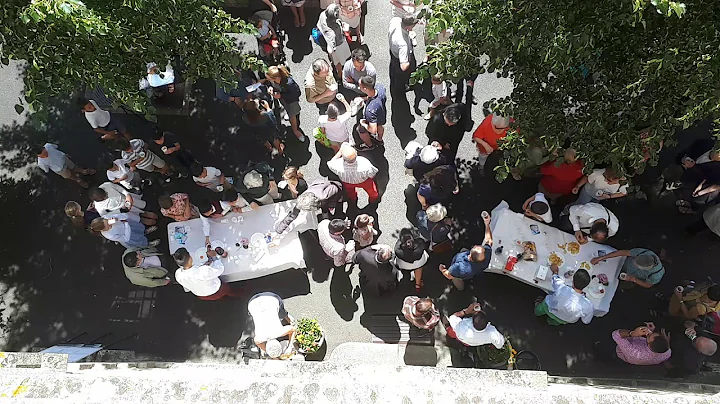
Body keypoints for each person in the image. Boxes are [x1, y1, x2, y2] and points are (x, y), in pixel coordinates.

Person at [439, 212, 492, 290]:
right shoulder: (486, 254)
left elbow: (449, 275)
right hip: (475, 270)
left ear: (470, 256)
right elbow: (489, 240)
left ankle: (461, 289)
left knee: (457, 280)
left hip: (460, 272)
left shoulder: (458, 267)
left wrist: (442, 269)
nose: (475, 246)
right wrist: (487, 224)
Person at [274, 179, 345, 237]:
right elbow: (292, 215)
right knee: (325, 214)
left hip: (332, 195)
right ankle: (326, 222)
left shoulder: (324, 195)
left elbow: (336, 188)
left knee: (330, 211)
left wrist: (332, 204)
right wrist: (279, 230)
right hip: (320, 200)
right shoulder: (302, 201)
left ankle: (329, 222)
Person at [172, 247, 239, 300]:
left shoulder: (177, 274)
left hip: (201, 295)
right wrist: (214, 256)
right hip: (216, 290)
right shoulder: (203, 271)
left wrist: (203, 266)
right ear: (190, 258)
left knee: (220, 297)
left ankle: (223, 299)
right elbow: (220, 269)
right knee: (228, 291)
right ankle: (239, 295)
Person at [596, 323, 671, 365]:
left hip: (617, 350)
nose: (649, 333)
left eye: (649, 336)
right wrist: (651, 331)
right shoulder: (667, 352)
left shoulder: (636, 353)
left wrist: (632, 333)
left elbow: (615, 335)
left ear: (649, 345)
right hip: (636, 341)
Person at [248, 292, 297, 357]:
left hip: (271, 298)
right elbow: (257, 341)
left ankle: (287, 317)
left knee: (281, 312)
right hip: (252, 303)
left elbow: (293, 329)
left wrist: (290, 346)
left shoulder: (279, 332)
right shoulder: (260, 338)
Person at [265, 65, 304, 142]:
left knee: (293, 115)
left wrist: (281, 95)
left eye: (269, 79)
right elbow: (270, 84)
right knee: (289, 111)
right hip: (284, 101)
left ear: (276, 78)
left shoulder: (289, 83)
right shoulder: (275, 80)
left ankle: (295, 130)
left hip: (292, 102)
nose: (268, 80)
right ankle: (292, 121)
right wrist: (271, 88)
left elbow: (297, 93)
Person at [591, 248, 664, 289]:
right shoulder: (645, 253)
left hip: (632, 279)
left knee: (611, 287)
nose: (634, 263)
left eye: (637, 265)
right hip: (623, 263)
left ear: (645, 269)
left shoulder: (656, 275)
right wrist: (600, 258)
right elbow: (621, 252)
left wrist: (634, 280)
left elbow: (648, 285)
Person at [317, 4, 351, 76]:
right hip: (338, 46)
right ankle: (340, 75)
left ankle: (338, 70)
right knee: (338, 62)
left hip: (325, 38)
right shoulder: (332, 33)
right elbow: (330, 50)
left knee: (336, 61)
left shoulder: (322, 15)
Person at [90, 214, 158, 248]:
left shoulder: (106, 217)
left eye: (106, 220)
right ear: (103, 229)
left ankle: (145, 231)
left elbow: (125, 215)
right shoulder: (109, 235)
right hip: (129, 235)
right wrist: (125, 224)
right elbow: (126, 238)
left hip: (131, 226)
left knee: (139, 229)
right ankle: (149, 244)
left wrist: (118, 217)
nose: (108, 222)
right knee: (140, 240)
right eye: (107, 224)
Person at [388, 16, 417, 93]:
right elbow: (403, 66)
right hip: (400, 58)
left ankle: (394, 81)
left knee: (393, 69)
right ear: (408, 27)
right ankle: (400, 89)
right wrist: (409, 63)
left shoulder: (395, 20)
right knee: (400, 75)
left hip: (393, 51)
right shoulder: (403, 45)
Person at [357, 76, 387, 150]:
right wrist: (365, 98)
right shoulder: (380, 87)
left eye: (360, 86)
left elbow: (373, 130)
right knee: (380, 125)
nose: (358, 88)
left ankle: (369, 145)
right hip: (381, 112)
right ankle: (379, 139)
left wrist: (363, 124)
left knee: (361, 130)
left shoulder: (370, 110)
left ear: (365, 89)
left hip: (373, 115)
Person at [395, 227, 428, 292]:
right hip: (418, 263)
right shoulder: (420, 244)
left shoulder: (398, 250)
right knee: (418, 268)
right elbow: (423, 244)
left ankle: (406, 278)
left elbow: (398, 244)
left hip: (404, 266)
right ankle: (417, 285)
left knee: (405, 270)